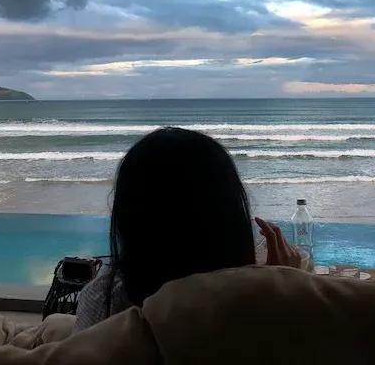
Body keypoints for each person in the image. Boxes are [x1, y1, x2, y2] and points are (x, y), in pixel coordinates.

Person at [74, 127, 301, 332]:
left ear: (129, 216)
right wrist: (285, 286)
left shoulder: (104, 302)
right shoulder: (260, 309)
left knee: (53, 327)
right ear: (230, 217)